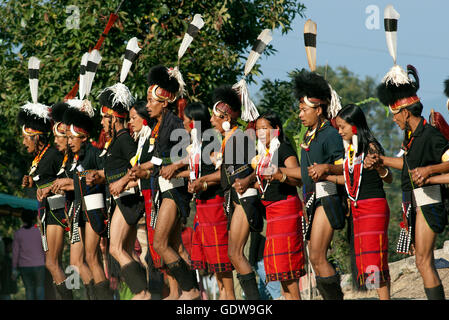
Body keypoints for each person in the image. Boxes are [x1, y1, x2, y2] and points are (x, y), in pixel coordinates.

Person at [372, 64, 449, 300]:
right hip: (416, 203)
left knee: (424, 260)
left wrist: (429, 171)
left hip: (430, 202)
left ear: (405, 112)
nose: (394, 120)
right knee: (421, 260)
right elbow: (407, 167)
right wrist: (381, 160)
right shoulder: (412, 138)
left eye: (395, 114)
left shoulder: (430, 135)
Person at [278, 69, 347, 300]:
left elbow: (345, 168)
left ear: (319, 110)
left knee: (317, 256)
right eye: (299, 110)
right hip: (311, 200)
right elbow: (305, 174)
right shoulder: (309, 135)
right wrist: (279, 173)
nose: (300, 115)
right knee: (315, 256)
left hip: (327, 198)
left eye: (304, 110)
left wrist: (327, 168)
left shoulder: (330, 135)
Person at [141, 65, 198, 300]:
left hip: (174, 190)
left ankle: (191, 290)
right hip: (163, 189)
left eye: (150, 101)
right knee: (175, 246)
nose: (147, 105)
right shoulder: (159, 126)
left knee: (160, 243)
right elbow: (159, 160)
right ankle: (182, 293)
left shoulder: (174, 123)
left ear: (164, 102)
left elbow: (194, 154)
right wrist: (139, 170)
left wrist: (175, 166)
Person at [17, 62, 72, 298]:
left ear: (36, 136)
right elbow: (44, 178)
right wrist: (32, 182)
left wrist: (46, 188)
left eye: (25, 138)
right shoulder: (41, 156)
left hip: (58, 210)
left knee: (52, 263)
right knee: (51, 264)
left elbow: (64, 177)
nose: (23, 143)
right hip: (46, 211)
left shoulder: (53, 153)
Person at [327, 104, 392, 299]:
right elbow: (348, 179)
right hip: (358, 209)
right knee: (366, 259)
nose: (339, 131)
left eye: (342, 127)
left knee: (374, 256)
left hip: (373, 207)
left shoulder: (370, 147)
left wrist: (380, 167)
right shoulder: (349, 151)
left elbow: (388, 178)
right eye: (338, 127)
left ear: (355, 126)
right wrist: (325, 176)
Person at [210, 85, 263, 300]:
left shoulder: (238, 138)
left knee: (235, 253)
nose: (211, 121)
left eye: (214, 117)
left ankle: (253, 302)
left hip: (245, 198)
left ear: (225, 118)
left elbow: (250, 169)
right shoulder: (231, 138)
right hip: (237, 199)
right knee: (235, 253)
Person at [181, 102, 235, 300]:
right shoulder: (198, 142)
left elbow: (221, 172)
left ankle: (230, 299)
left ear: (194, 121)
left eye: (186, 119)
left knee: (221, 261)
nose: (183, 122)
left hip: (215, 205)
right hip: (203, 206)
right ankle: (224, 297)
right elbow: (200, 170)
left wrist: (201, 183)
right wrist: (190, 180)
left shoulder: (211, 139)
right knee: (215, 264)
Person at [252, 112, 305, 300]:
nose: (260, 132)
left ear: (276, 130)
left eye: (264, 128)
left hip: (286, 209)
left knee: (287, 266)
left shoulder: (283, 148)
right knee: (280, 270)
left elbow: (299, 176)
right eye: (257, 128)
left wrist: (280, 176)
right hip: (272, 212)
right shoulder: (263, 153)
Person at [12, 212, 46, 300]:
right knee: (40, 287)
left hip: (24, 266)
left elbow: (15, 252)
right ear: (33, 219)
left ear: (22, 219)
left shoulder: (18, 233)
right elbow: (44, 247)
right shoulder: (38, 231)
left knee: (29, 289)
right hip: (39, 264)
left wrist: (14, 268)